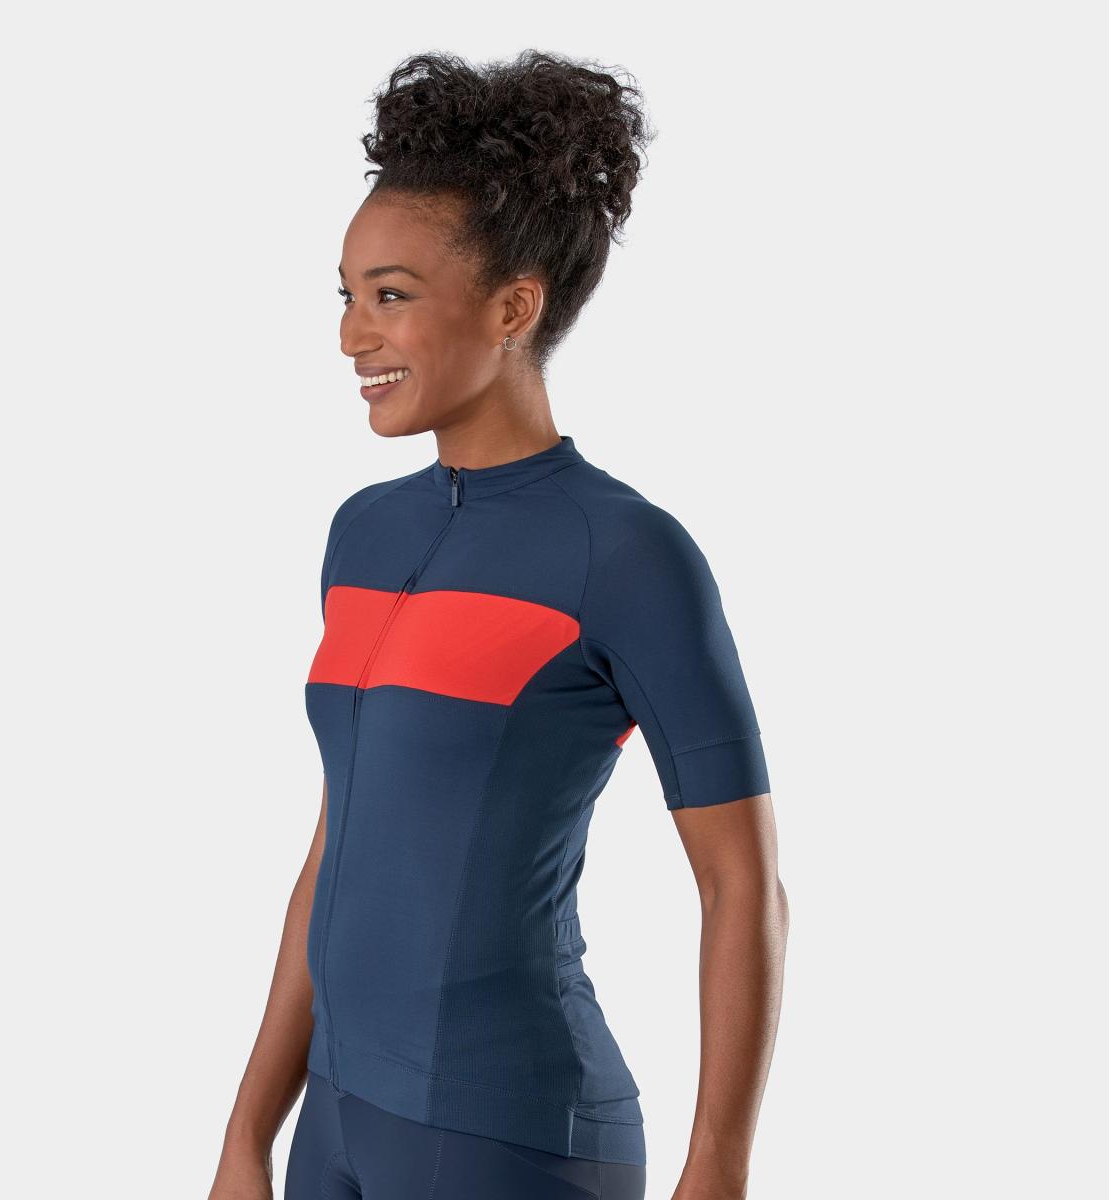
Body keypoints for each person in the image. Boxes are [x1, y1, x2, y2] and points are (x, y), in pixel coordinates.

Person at [209, 50, 788, 1200]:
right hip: (335, 1118)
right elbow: (339, 848)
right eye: (345, 295)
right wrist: (246, 1133)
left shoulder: (624, 553)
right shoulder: (363, 534)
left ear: (513, 306)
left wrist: (717, 1167)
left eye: (390, 296)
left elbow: (741, 883)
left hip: (509, 1134)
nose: (352, 336)